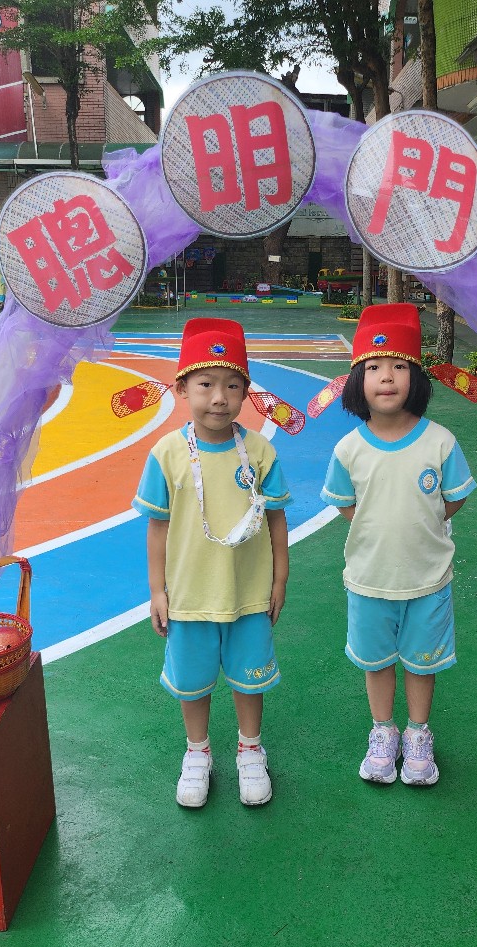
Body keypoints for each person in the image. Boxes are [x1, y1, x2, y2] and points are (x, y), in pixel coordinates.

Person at [132, 318, 291, 809]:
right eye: (205, 384)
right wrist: (157, 591)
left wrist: (279, 579)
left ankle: (250, 749)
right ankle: (197, 751)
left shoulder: (260, 451)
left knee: (249, 677)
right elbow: (157, 527)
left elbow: (277, 520)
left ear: (246, 391)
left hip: (248, 594)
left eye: (232, 385)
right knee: (193, 681)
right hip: (188, 597)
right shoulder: (166, 454)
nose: (219, 397)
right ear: (182, 388)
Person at [321, 304, 476, 787]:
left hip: (428, 579)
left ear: (416, 378)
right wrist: (378, 525)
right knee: (376, 662)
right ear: (357, 380)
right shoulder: (349, 448)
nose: (386, 377)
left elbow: (454, 499)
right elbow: (347, 504)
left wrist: (422, 523)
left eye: (399, 366)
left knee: (422, 663)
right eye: (373, 367)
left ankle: (418, 733)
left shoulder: (440, 442)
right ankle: (383, 730)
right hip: (369, 579)